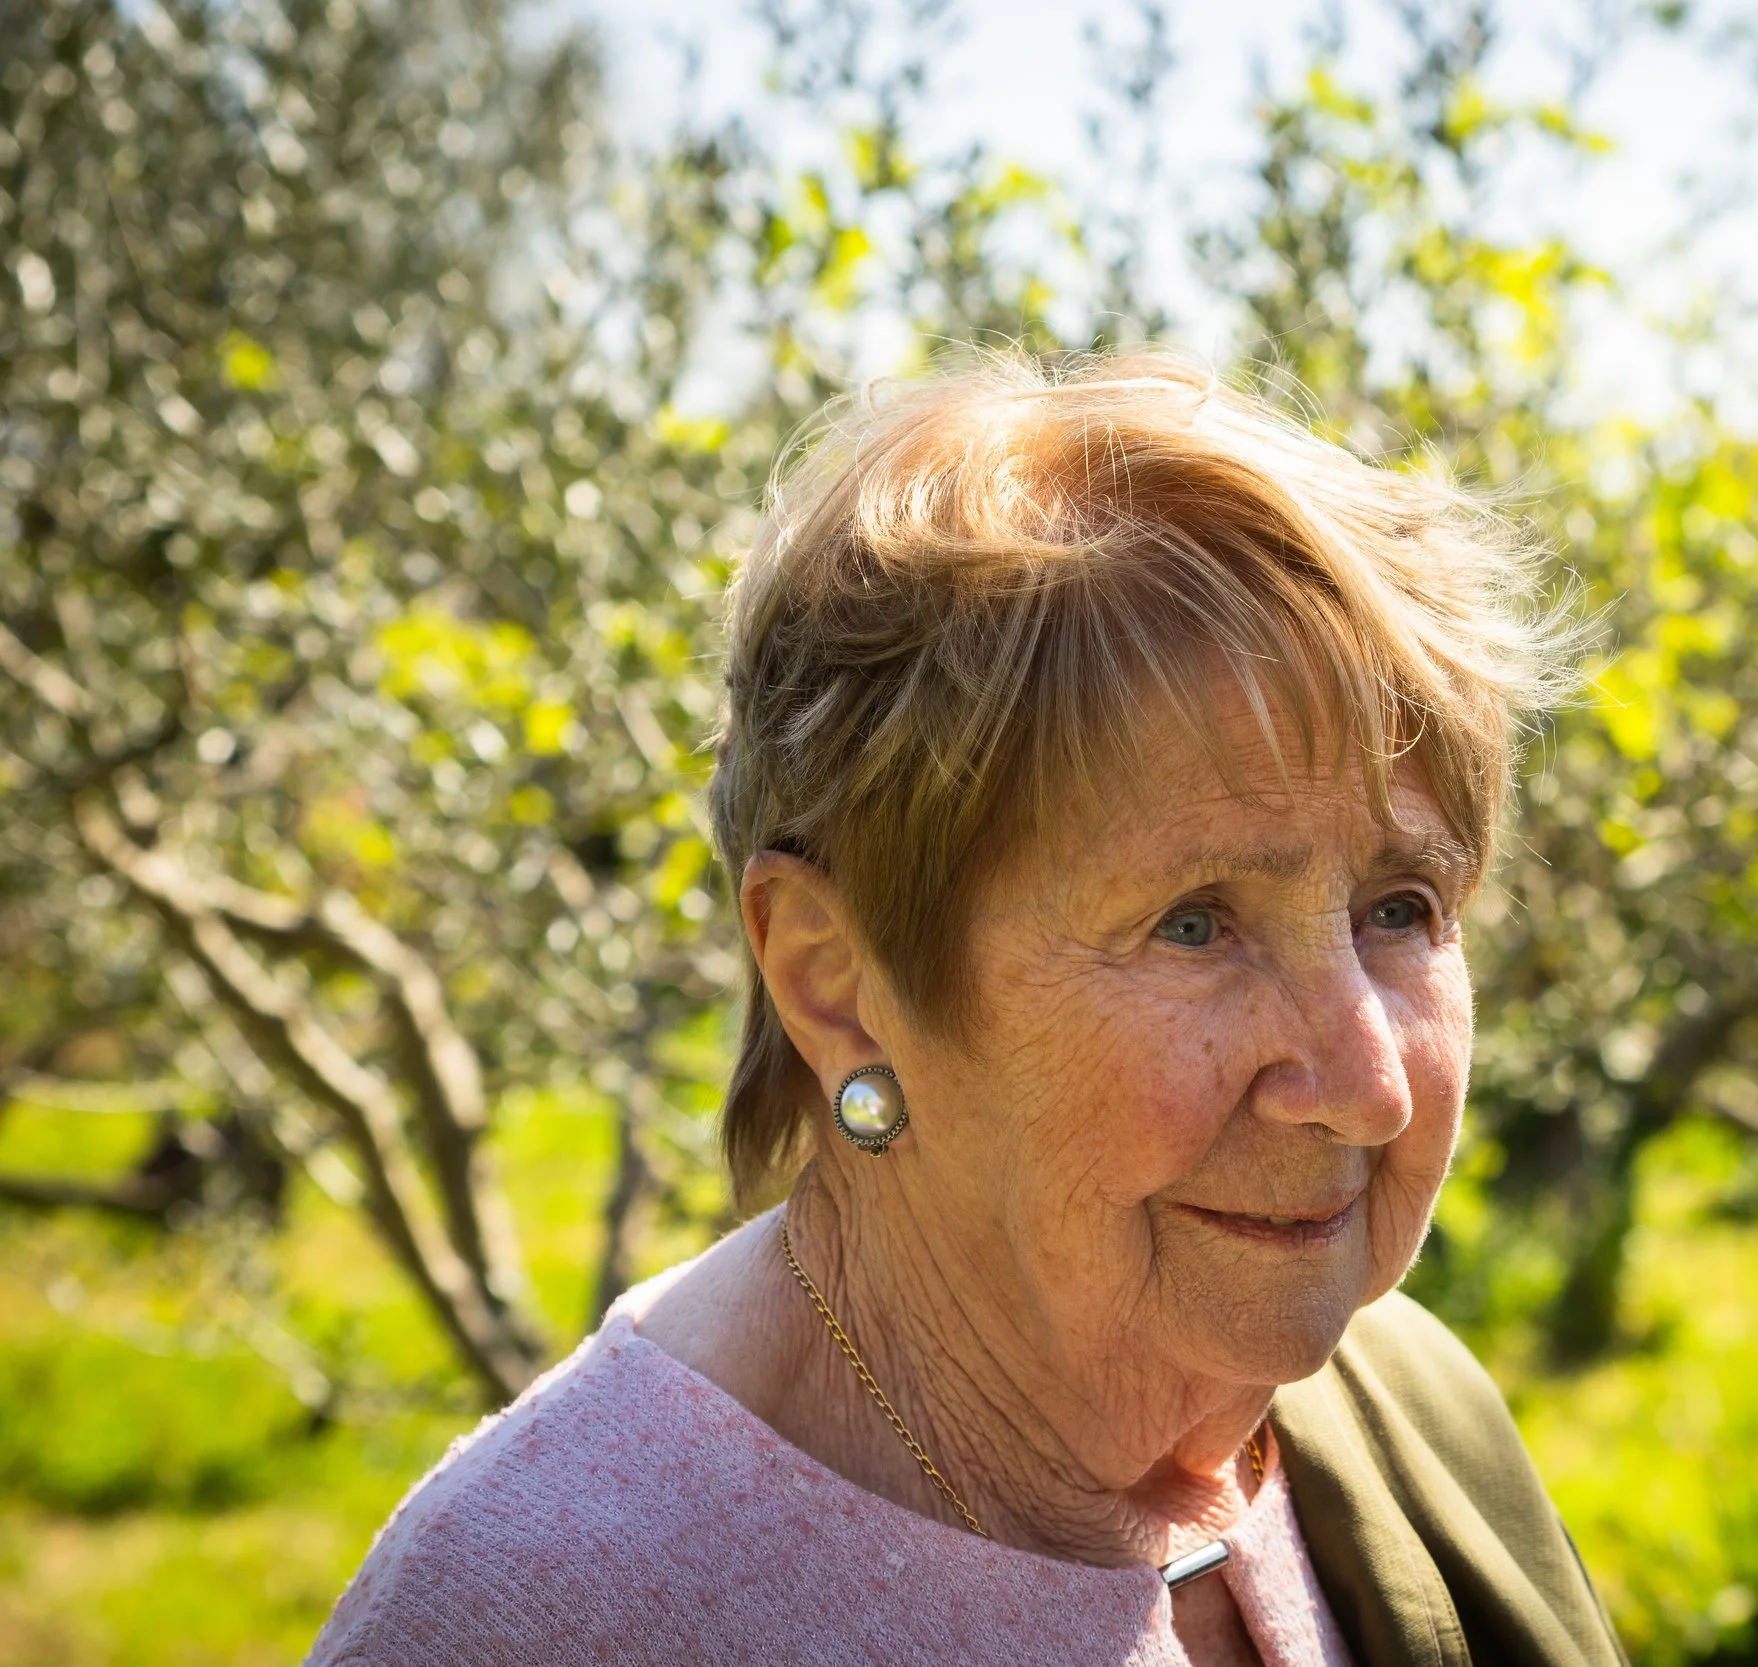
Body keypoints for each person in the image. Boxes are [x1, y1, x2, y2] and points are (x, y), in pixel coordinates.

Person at [307, 353, 1624, 1666]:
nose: (1367, 1080)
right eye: (1194, 923)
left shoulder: (1419, 1411)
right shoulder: (543, 1612)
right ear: (839, 983)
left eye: (1400, 907)